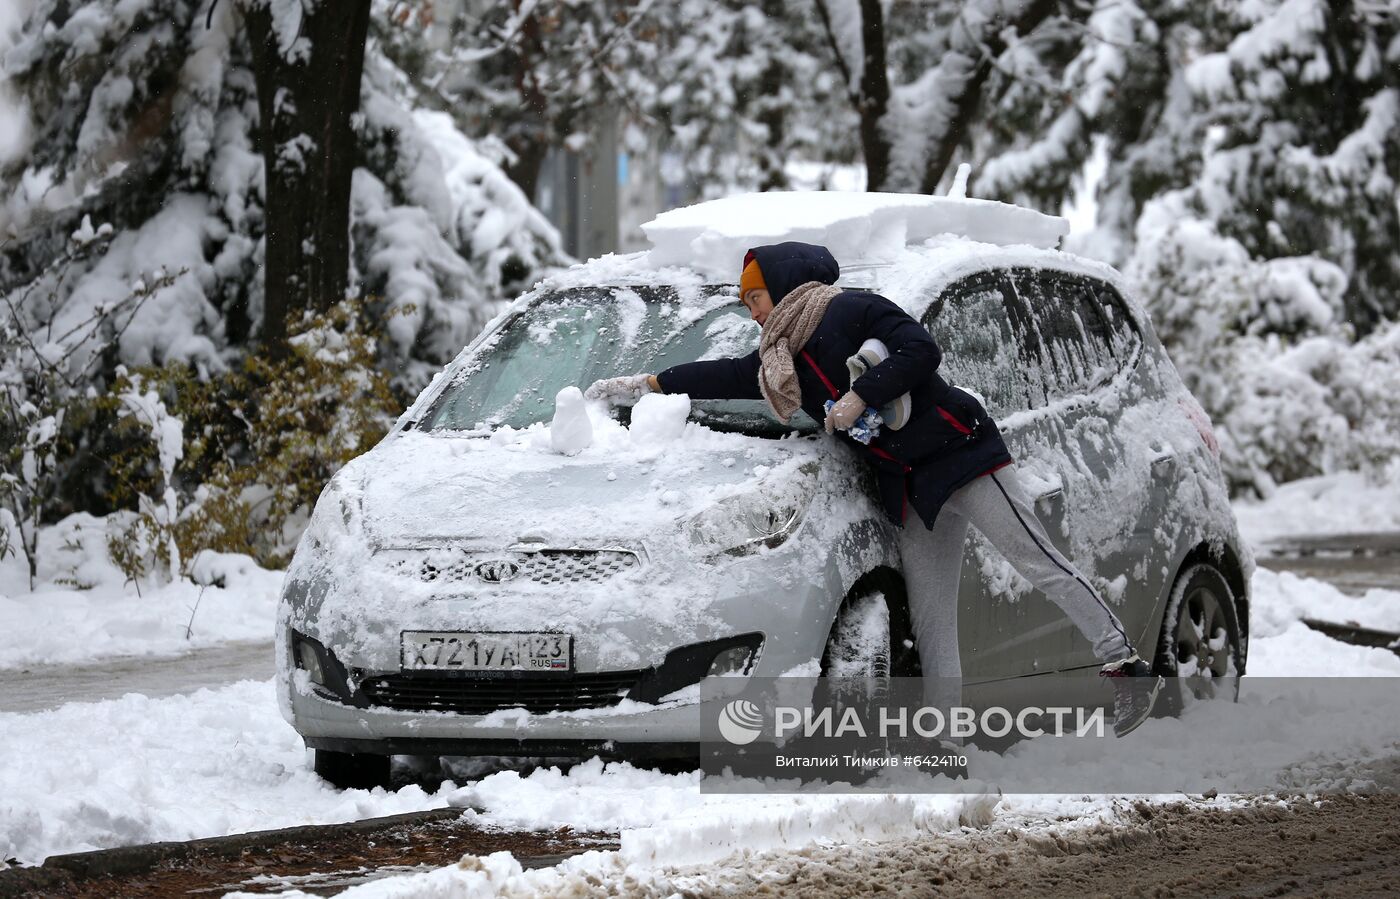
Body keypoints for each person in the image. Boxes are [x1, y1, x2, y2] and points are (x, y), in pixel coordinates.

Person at [586, 241, 1162, 737]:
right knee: (934, 617)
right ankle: (946, 743)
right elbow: (724, 376)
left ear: (782, 286)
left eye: (754, 297)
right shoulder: (779, 360)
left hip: (964, 455)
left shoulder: (851, 309)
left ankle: (1126, 666)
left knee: (1037, 561)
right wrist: (649, 383)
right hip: (909, 485)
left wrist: (862, 396)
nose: (751, 310)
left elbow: (921, 349)